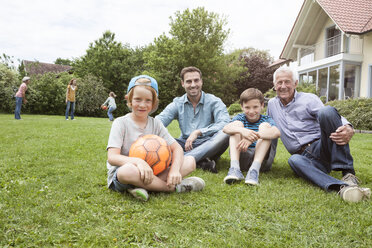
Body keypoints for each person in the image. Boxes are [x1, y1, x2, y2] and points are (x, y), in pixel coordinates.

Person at [267, 66, 370, 202]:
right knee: (293, 160)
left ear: (295, 83)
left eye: (287, 82)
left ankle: (348, 173)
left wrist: (348, 126)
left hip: (322, 145)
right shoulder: (271, 104)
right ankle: (343, 188)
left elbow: (328, 115)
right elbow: (268, 127)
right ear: (274, 85)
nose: (283, 86)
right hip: (303, 156)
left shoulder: (309, 99)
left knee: (326, 111)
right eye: (279, 82)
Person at [106, 75, 205, 201]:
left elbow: (177, 149)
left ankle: (143, 187)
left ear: (154, 103)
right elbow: (112, 157)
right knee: (127, 171)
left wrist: (174, 170)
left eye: (148, 100)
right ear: (129, 100)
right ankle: (171, 188)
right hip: (127, 174)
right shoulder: (120, 123)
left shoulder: (156, 123)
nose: (142, 104)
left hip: (154, 172)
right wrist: (138, 162)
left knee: (190, 161)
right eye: (137, 99)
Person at [156, 66, 230, 173]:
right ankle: (202, 162)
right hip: (185, 145)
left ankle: (181, 159)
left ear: (201, 82)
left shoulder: (214, 101)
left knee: (226, 133)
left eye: (196, 80)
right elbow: (158, 122)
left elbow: (225, 123)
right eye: (189, 81)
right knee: (158, 140)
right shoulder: (177, 103)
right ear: (183, 84)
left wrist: (199, 132)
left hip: (210, 144)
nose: (193, 85)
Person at [223, 88, 280, 185]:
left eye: (255, 107)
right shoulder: (240, 118)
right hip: (242, 157)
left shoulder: (266, 119)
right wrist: (242, 131)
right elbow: (225, 129)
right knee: (236, 125)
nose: (251, 111)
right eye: (247, 107)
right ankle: (234, 169)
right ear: (242, 107)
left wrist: (254, 137)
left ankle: (254, 171)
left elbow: (277, 132)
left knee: (265, 126)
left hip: (261, 161)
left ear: (262, 105)